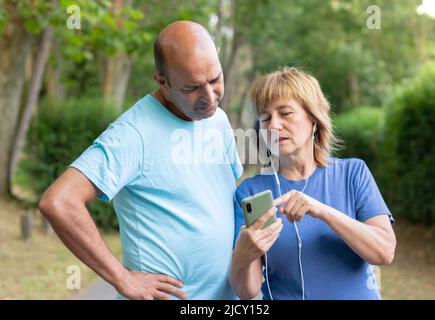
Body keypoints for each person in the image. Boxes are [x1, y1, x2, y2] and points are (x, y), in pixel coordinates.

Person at [39, 21, 242, 300]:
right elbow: (59, 202)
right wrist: (122, 278)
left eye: (215, 79)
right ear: (163, 82)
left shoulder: (218, 119)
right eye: (192, 88)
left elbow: (224, 199)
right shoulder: (132, 134)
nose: (209, 97)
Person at [229, 67, 396, 300]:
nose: (273, 125)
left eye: (285, 113)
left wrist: (322, 211)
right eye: (265, 117)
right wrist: (243, 254)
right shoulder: (250, 192)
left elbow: (385, 252)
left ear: (314, 119)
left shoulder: (353, 173)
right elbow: (248, 291)